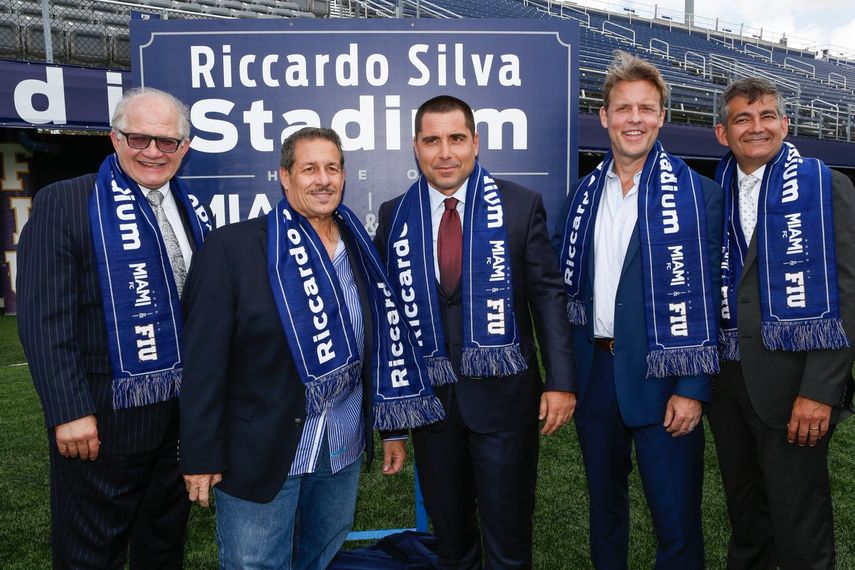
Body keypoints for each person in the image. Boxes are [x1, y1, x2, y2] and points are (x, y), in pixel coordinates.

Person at [179, 127, 443, 569]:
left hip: (339, 447)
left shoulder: (362, 249)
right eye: (309, 169)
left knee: (319, 559)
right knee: (255, 564)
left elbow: (380, 348)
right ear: (284, 177)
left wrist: (391, 427)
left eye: (332, 168)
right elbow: (203, 361)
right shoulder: (235, 248)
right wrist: (201, 454)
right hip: (261, 449)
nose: (323, 179)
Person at [374, 95, 576, 569]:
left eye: (456, 139)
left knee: (508, 542)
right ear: (416, 147)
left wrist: (561, 381)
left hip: (505, 404)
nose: (445, 152)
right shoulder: (394, 216)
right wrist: (392, 422)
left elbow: (548, 297)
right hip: (431, 409)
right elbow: (389, 326)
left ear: (475, 143)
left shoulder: (521, 206)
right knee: (452, 543)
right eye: (432, 140)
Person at [16, 87, 211, 568]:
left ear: (184, 148)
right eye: (138, 138)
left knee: (163, 548)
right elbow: (44, 319)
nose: (152, 151)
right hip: (101, 424)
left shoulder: (190, 207)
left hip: (179, 424)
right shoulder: (64, 202)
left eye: (166, 142)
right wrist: (69, 411)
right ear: (114, 138)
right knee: (90, 553)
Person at [556, 51, 722, 569]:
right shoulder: (580, 196)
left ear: (662, 117)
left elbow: (713, 300)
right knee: (605, 513)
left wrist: (692, 389)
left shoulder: (700, 196)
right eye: (623, 108)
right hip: (596, 376)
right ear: (603, 117)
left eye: (646, 108)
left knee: (676, 523)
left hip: (665, 377)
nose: (634, 119)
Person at [710, 77, 855, 570]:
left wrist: (821, 389)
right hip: (728, 385)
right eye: (743, 118)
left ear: (785, 124)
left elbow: (848, 296)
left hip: (793, 387)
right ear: (722, 132)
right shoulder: (712, 195)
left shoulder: (826, 186)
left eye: (767, 116)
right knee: (747, 521)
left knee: (800, 531)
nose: (757, 127)